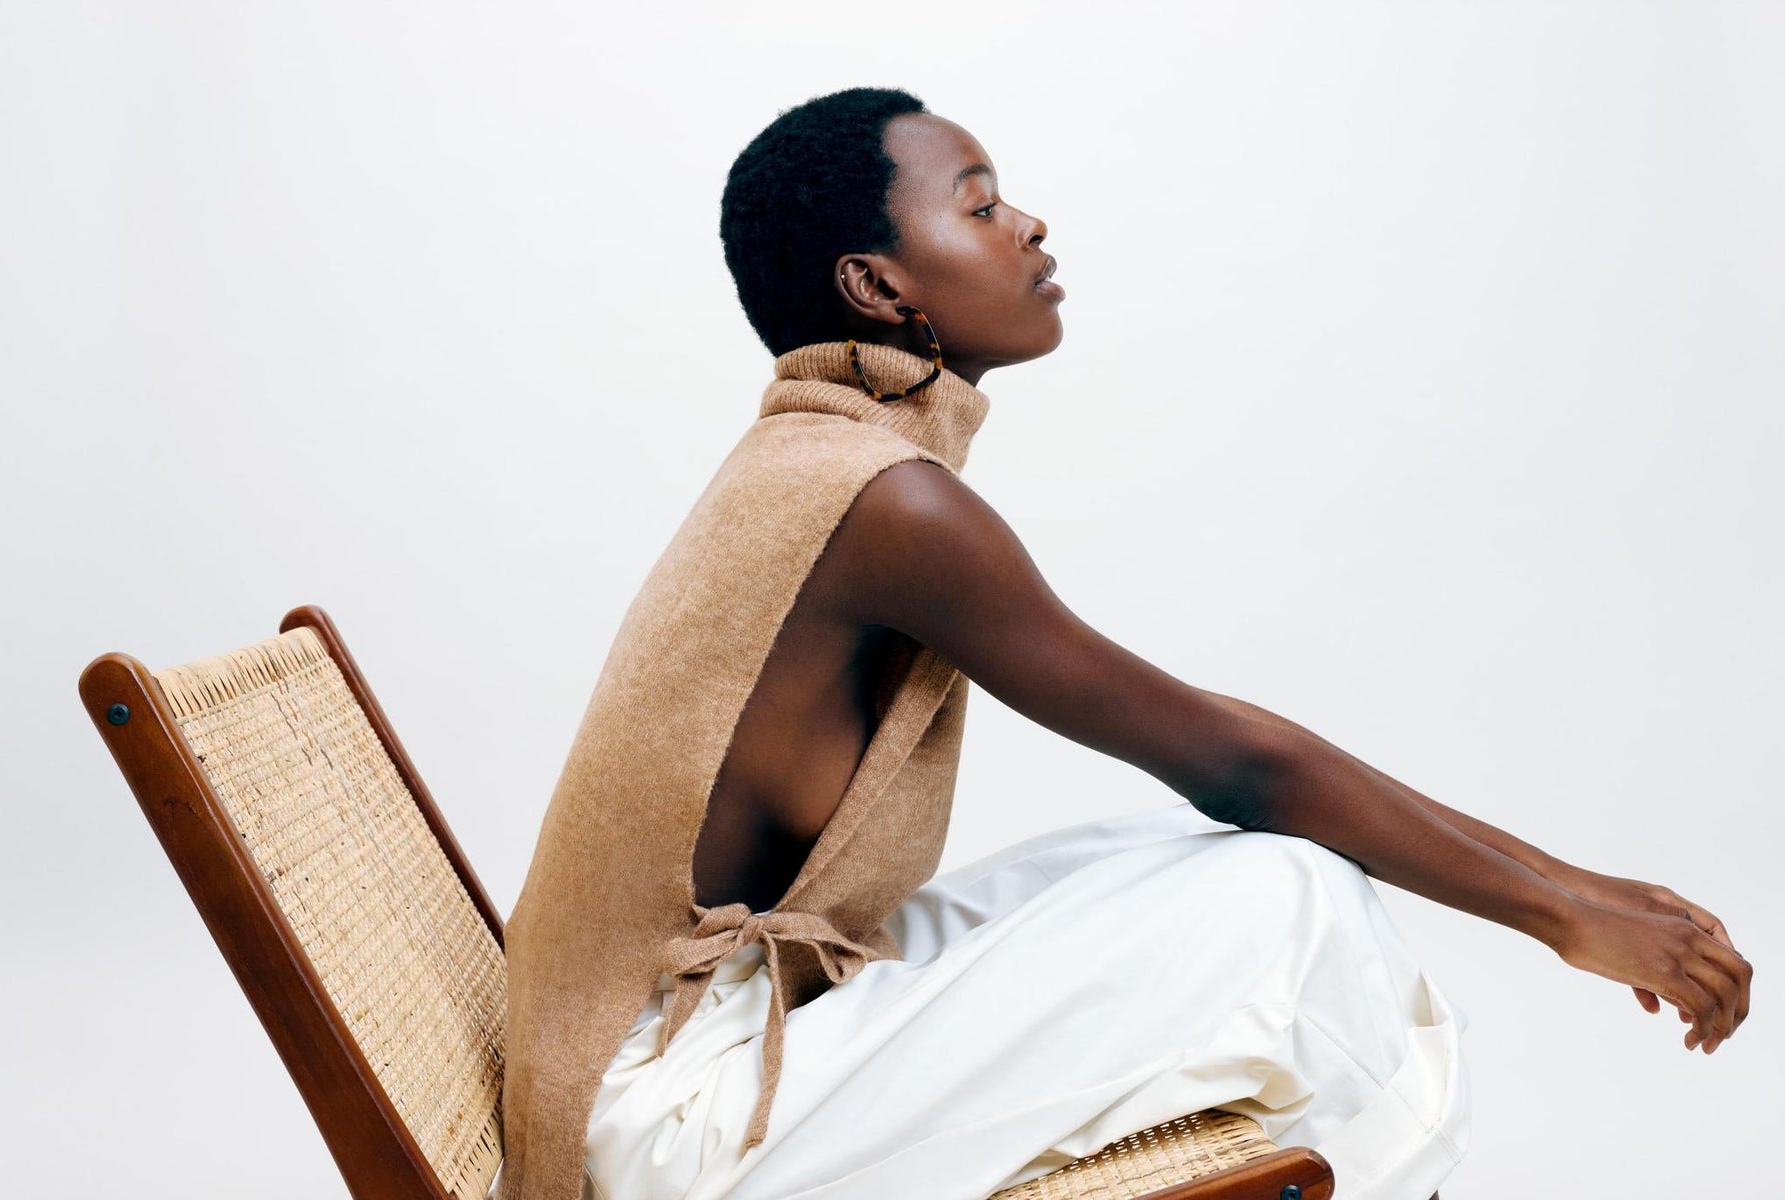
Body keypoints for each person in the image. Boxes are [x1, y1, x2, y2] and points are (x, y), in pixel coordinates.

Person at [574, 87, 1752, 1200]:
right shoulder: (889, 504)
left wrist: (1572, 885)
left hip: (729, 1019)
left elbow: (1243, 775)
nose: (1030, 225)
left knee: (1189, 855)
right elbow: (1241, 764)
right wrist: (1567, 914)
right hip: (682, 1109)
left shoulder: (821, 458)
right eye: (980, 206)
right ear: (878, 286)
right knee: (1285, 897)